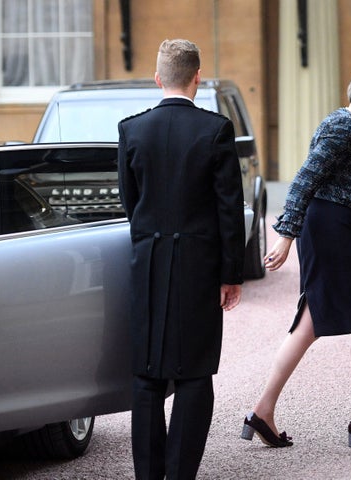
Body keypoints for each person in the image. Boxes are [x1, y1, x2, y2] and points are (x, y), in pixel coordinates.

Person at [241, 63, 351, 450]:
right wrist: (284, 235)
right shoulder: (345, 127)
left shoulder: (349, 125)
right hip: (331, 228)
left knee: (310, 324)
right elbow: (304, 179)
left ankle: (262, 411)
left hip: (331, 226)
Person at [118, 39, 245, 479]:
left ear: (158, 79)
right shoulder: (215, 130)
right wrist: (232, 274)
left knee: (148, 373)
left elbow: (130, 203)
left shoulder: (131, 129)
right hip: (199, 264)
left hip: (148, 260)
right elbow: (229, 208)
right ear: (197, 78)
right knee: (193, 373)